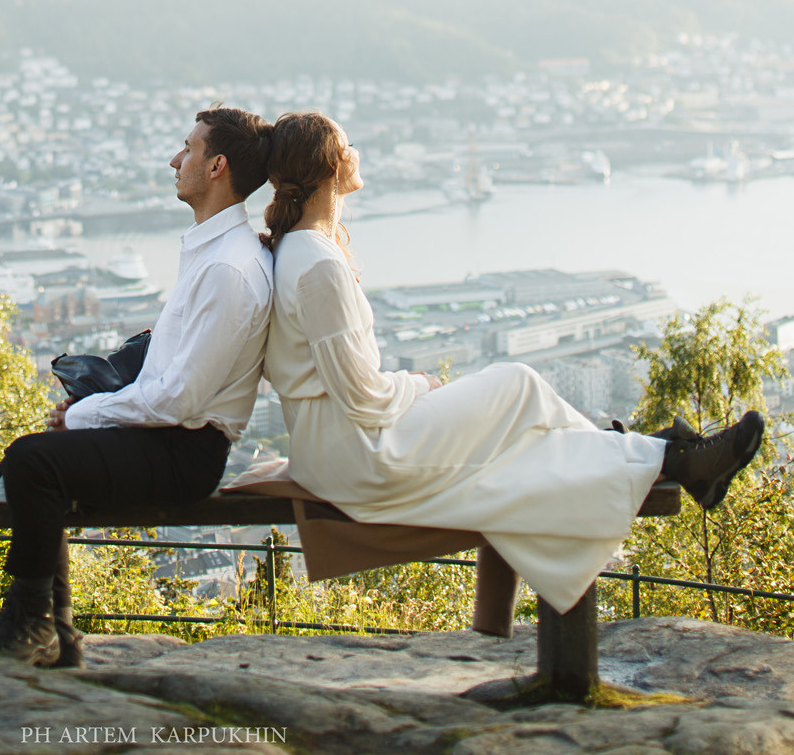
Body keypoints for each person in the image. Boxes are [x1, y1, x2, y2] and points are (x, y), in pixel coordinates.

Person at [261, 111, 765, 617]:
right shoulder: (318, 264)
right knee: (517, 385)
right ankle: (668, 456)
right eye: (347, 145)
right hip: (358, 456)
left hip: (338, 445)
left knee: (523, 427)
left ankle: (664, 455)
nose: (357, 154)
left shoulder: (303, 250)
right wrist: (419, 384)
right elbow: (362, 395)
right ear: (329, 166)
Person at [0, 105, 275, 665]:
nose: (174, 159)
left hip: (186, 451)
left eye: (187, 148)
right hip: (171, 438)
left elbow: (181, 397)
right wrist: (93, 406)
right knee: (32, 460)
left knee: (33, 464)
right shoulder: (213, 254)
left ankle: (35, 623)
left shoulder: (229, 269)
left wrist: (85, 416)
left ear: (217, 167)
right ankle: (53, 632)